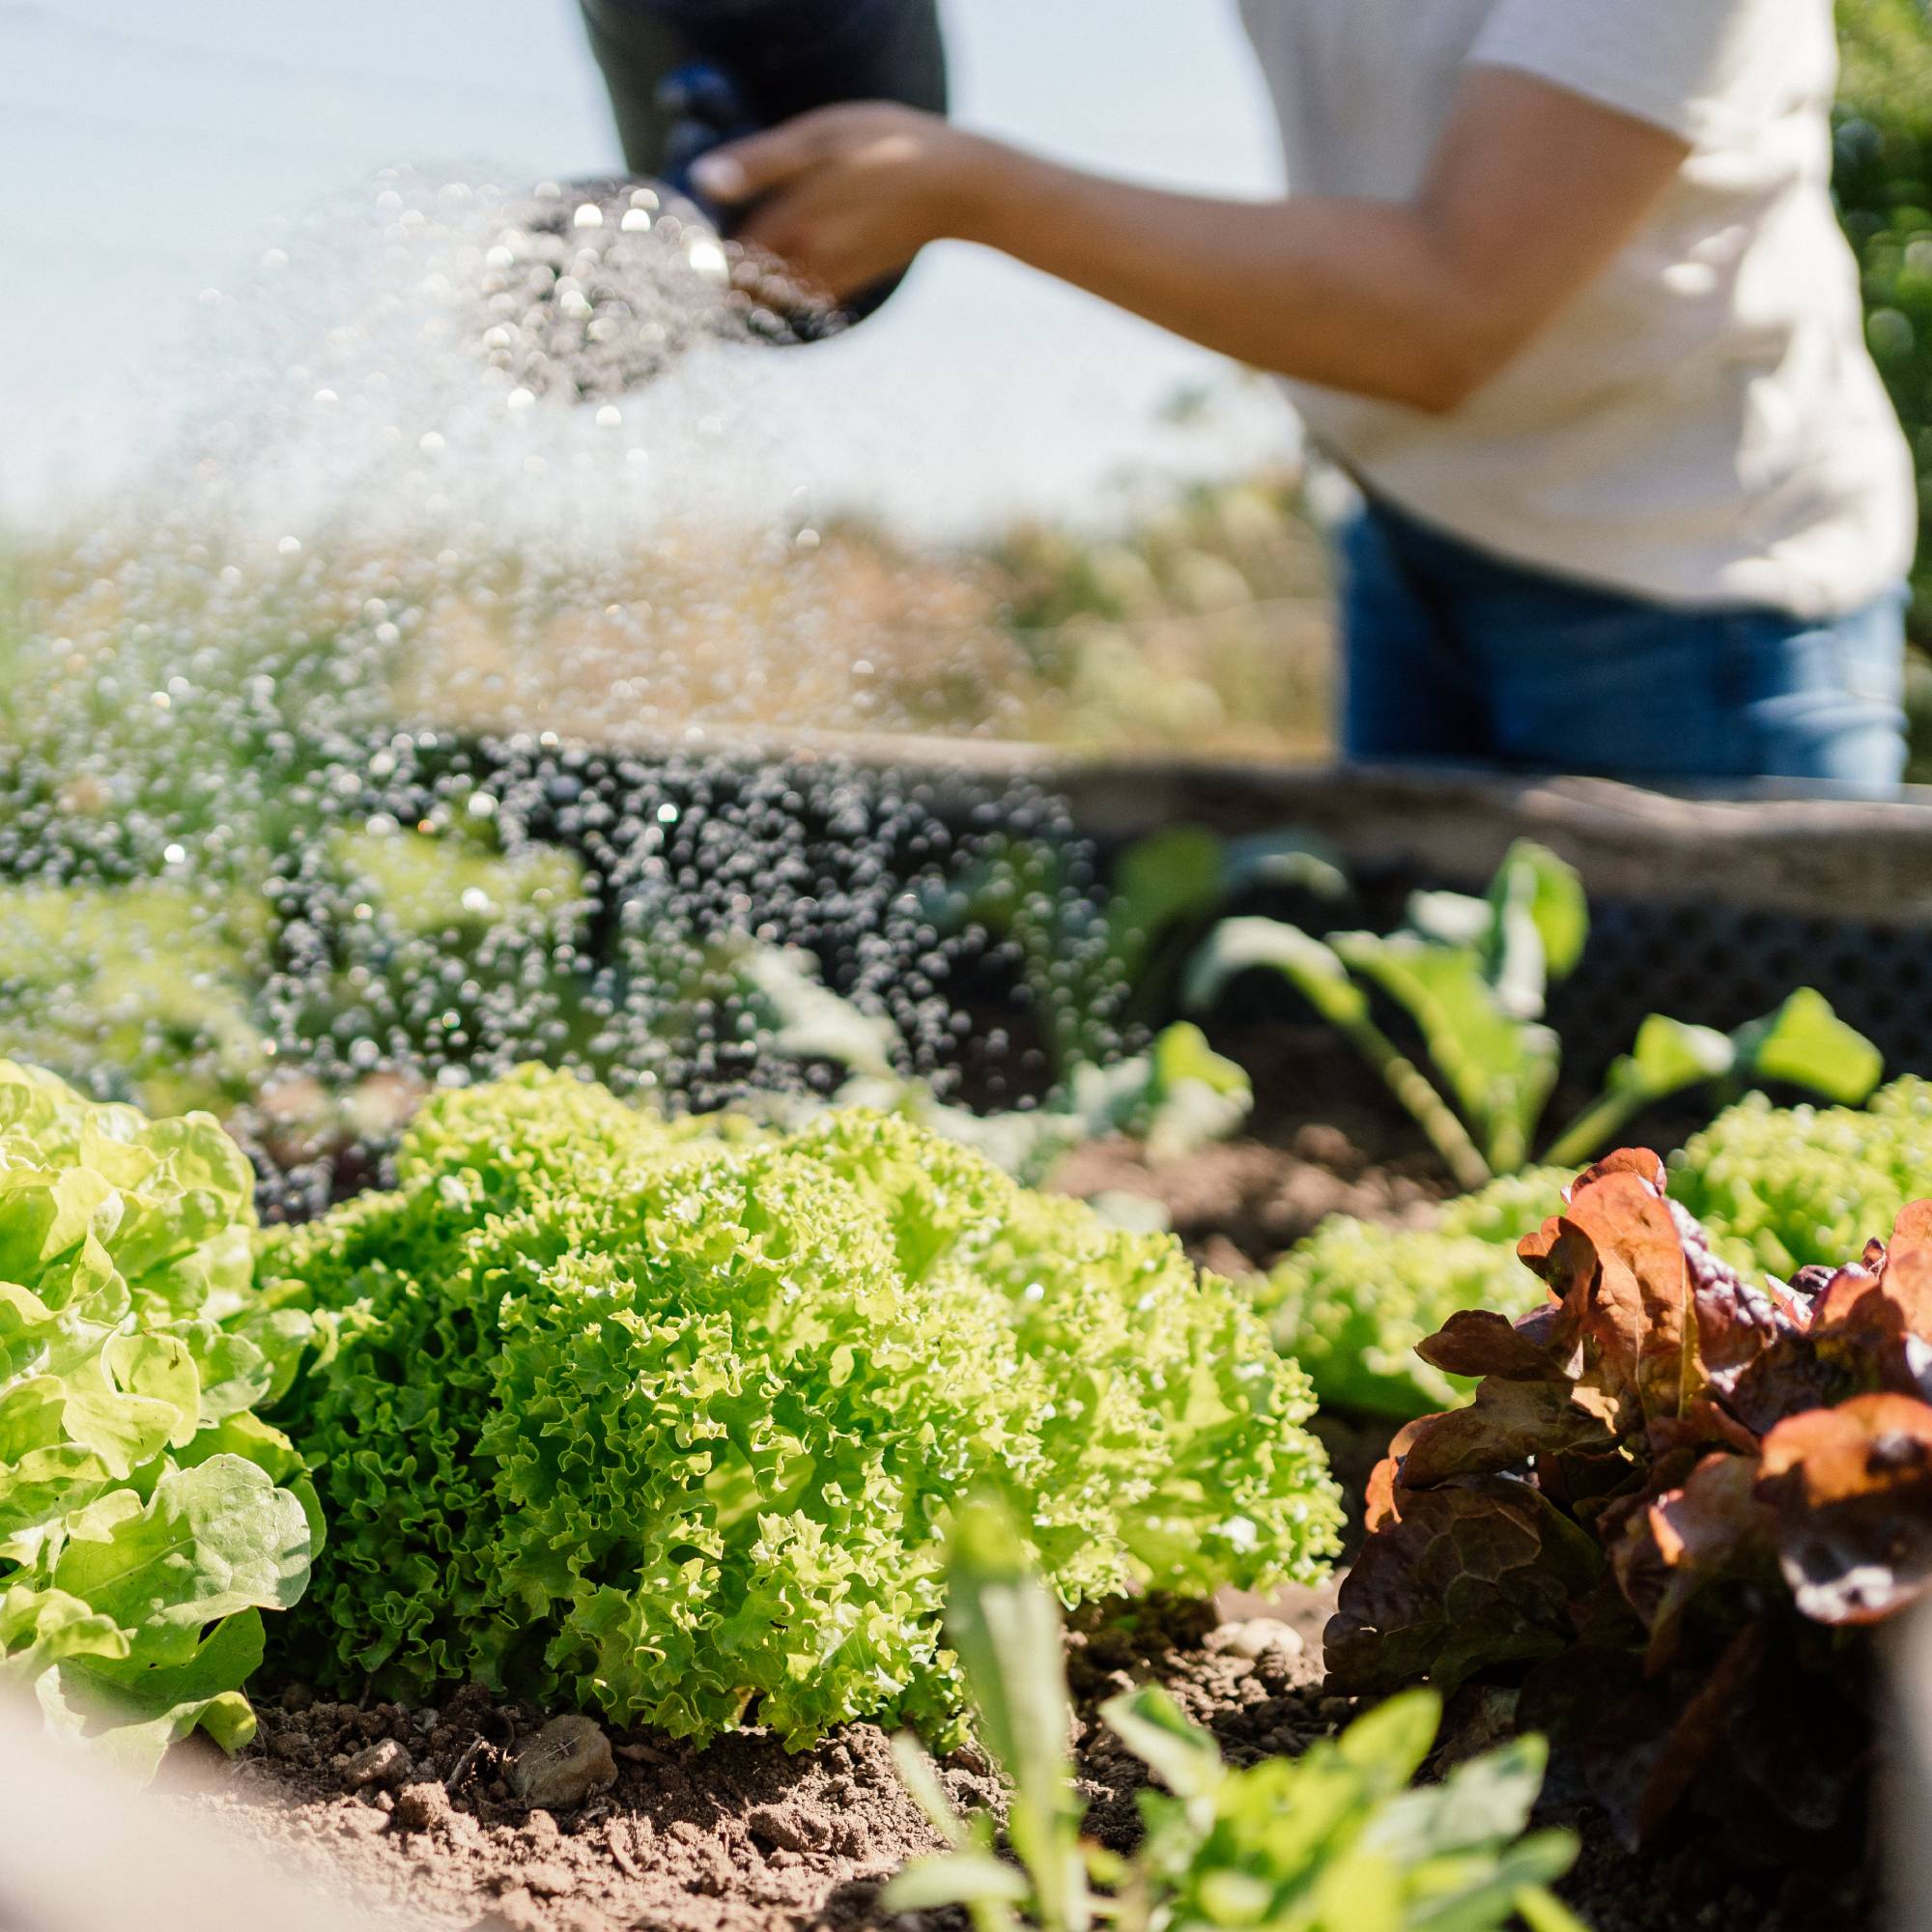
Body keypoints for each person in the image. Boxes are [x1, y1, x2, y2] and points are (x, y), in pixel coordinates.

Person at [592, 0, 1918, 792]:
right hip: (1413, 531)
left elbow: (1453, 317)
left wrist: (963, 190)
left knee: (1719, 1164)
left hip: (1705, 597)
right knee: (1442, 1118)